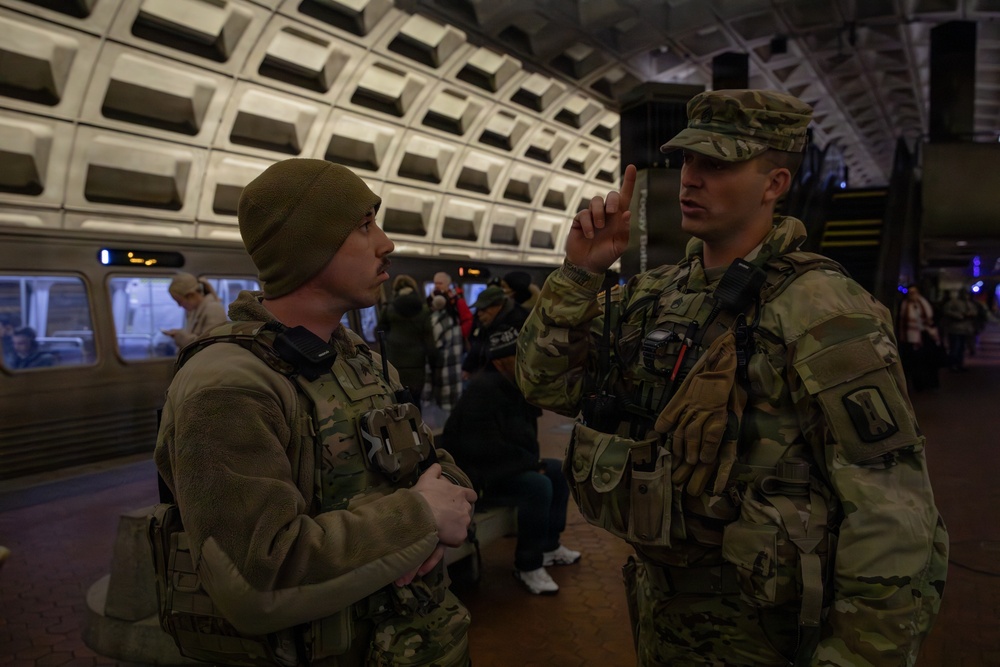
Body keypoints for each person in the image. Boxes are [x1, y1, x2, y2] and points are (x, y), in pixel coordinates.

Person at [516, 89, 948, 666]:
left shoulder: (824, 311)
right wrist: (579, 274)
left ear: (774, 184)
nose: (690, 179)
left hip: (767, 635)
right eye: (688, 161)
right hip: (662, 617)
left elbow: (894, 512)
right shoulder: (654, 295)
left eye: (717, 164)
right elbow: (544, 385)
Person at [155, 158, 477, 666]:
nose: (387, 243)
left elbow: (437, 466)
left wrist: (437, 514)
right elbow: (257, 577)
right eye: (365, 226)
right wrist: (420, 520)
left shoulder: (363, 362)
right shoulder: (228, 385)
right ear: (309, 249)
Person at [441, 325, 580, 595]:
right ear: (498, 360)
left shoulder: (515, 386)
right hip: (480, 478)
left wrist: (532, 463)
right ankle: (528, 565)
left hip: (504, 467)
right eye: (516, 355)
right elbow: (482, 448)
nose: (524, 360)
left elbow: (522, 438)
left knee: (556, 471)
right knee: (537, 486)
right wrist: (529, 465)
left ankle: (550, 547)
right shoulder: (483, 391)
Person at [378, 274, 438, 409]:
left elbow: (379, 333)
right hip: (417, 369)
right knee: (416, 404)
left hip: (394, 367)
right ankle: (417, 429)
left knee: (398, 406)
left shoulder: (388, 309)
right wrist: (434, 367)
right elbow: (430, 343)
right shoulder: (423, 310)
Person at [462, 285, 528, 378]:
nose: (479, 313)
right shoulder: (486, 321)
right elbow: (479, 343)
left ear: (498, 306)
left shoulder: (518, 321)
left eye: (484, 309)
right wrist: (468, 367)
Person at [161, 272, 228, 348]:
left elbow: (210, 345)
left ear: (190, 295)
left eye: (179, 301)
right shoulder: (193, 312)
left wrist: (181, 336)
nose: (179, 306)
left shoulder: (214, 309)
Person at [427, 289, 464, 420]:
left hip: (443, 379)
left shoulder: (436, 322)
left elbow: (431, 355)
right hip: (456, 377)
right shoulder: (453, 318)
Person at [898, 284, 941, 391]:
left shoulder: (924, 303)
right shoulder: (904, 305)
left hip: (925, 335)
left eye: (914, 292)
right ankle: (918, 384)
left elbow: (930, 319)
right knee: (915, 362)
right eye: (910, 293)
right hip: (910, 338)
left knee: (927, 361)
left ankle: (929, 384)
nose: (912, 295)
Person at [941, 289, 977, 371]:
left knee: (961, 348)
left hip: (965, 329)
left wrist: (971, 314)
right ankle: (952, 364)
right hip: (955, 328)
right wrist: (958, 315)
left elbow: (975, 311)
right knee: (955, 348)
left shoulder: (969, 303)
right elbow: (946, 310)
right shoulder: (954, 302)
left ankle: (959, 364)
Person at [432, 272, 473, 341]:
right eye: (436, 283)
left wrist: (457, 334)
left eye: (440, 283)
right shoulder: (432, 301)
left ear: (448, 285)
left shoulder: (458, 301)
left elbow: (468, 321)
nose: (437, 286)